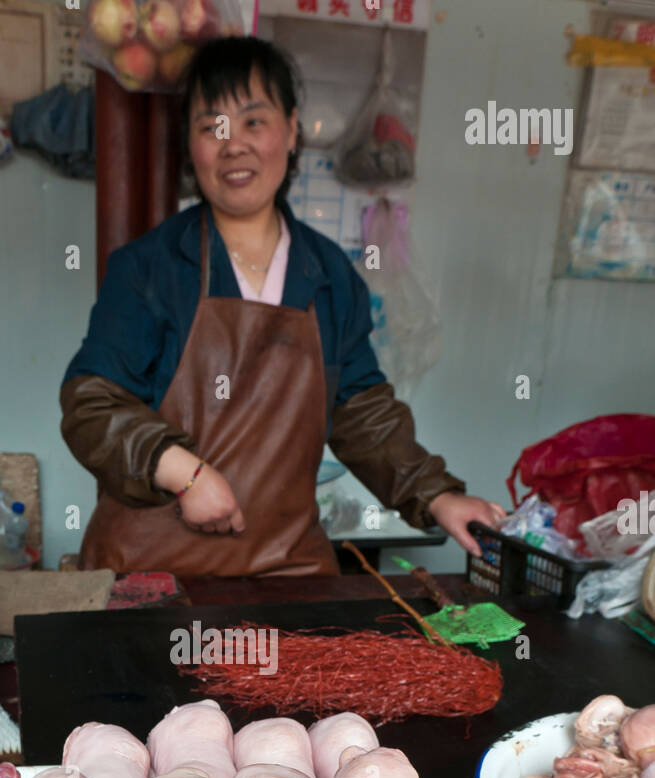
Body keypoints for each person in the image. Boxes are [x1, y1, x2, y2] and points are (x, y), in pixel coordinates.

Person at [60, 35, 505, 577]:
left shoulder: (332, 278)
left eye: (253, 121)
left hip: (285, 575)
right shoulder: (149, 267)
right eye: (210, 126)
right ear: (191, 145)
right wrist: (184, 473)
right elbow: (92, 404)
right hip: (150, 574)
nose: (233, 145)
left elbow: (362, 414)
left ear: (291, 130)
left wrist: (436, 496)